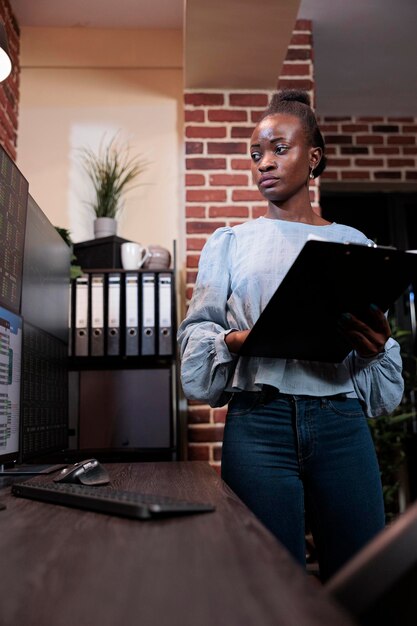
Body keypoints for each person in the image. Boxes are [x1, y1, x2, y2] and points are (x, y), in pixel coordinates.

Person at [177, 90, 404, 581]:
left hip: (341, 423)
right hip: (259, 424)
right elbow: (198, 343)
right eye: (257, 154)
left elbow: (379, 382)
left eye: (280, 148)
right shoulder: (231, 242)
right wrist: (236, 342)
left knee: (363, 576)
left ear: (313, 157)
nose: (265, 163)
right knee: (267, 580)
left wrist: (375, 347)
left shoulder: (353, 245)